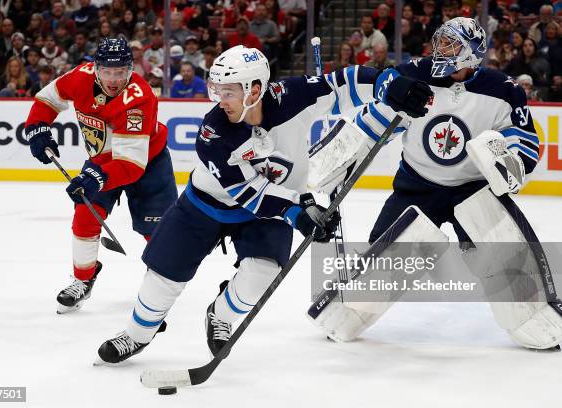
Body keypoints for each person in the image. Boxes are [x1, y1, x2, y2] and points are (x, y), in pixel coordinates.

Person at [94, 44, 430, 364]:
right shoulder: (214, 132)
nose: (219, 100)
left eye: (228, 91)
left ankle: (220, 315)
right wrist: (299, 210)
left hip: (272, 207)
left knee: (263, 273)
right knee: (162, 277)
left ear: (255, 89)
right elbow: (249, 192)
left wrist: (388, 82)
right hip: (207, 205)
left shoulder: (293, 96)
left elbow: (342, 84)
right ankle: (138, 333)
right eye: (217, 90)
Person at [311, 17, 562, 352]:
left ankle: (534, 315)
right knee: (381, 261)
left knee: (503, 257)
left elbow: (525, 141)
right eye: (440, 42)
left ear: (472, 52)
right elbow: (371, 123)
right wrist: (338, 165)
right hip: (417, 186)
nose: (441, 50)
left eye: (451, 44)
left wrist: (508, 161)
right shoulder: (413, 75)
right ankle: (348, 310)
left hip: (474, 191)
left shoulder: (504, 90)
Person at [24, 38, 178, 314]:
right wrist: (37, 126)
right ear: (96, 68)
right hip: (102, 162)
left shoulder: (138, 97)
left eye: (121, 71)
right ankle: (83, 280)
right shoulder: (80, 77)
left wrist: (96, 177)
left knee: (157, 232)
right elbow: (49, 98)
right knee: (85, 214)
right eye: (108, 70)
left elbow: (131, 165)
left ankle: (160, 287)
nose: (114, 78)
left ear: (131, 69)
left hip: (148, 164)